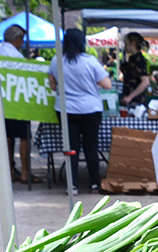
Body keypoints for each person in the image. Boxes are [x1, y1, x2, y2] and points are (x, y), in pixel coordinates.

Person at [48, 28, 112, 195]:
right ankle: (94, 184)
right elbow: (107, 85)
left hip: (66, 109)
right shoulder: (90, 61)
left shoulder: (56, 61)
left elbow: (52, 85)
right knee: (91, 148)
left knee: (71, 148)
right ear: (81, 42)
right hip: (91, 109)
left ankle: (73, 185)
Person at [0, 25, 40, 183]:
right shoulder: (16, 56)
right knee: (24, 137)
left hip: (1, 103)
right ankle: (25, 172)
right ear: (17, 40)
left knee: (7, 137)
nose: (22, 43)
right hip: (18, 103)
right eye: (22, 40)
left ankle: (9, 171)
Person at [120, 32, 150, 107]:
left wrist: (130, 97)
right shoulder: (133, 59)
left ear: (133, 44)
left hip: (136, 103)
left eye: (126, 44)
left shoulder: (139, 60)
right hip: (131, 101)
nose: (125, 46)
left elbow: (145, 82)